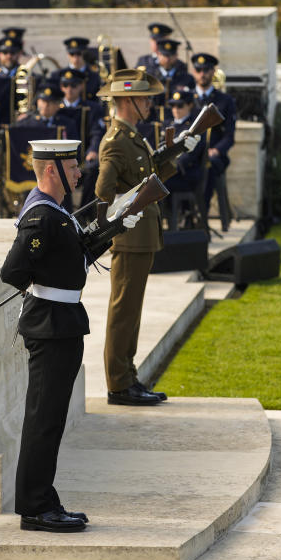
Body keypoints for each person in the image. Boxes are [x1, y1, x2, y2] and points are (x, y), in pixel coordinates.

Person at [0, 138, 141, 532]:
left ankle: (43, 497)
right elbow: (12, 272)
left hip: (61, 322)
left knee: (51, 419)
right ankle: (35, 506)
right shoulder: (42, 216)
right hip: (50, 324)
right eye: (73, 167)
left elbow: (72, 255)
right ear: (52, 170)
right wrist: (41, 284)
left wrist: (113, 227)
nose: (80, 173)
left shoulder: (57, 212)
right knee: (43, 420)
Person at [95, 69, 199, 405]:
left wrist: (176, 151)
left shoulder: (132, 137)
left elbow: (148, 174)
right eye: (143, 99)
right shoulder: (115, 141)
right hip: (129, 238)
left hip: (142, 237)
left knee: (132, 309)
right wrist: (122, 214)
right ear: (126, 102)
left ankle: (128, 376)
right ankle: (119, 383)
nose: (148, 105)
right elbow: (103, 193)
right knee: (124, 310)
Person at [190, 53, 237, 231]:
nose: (202, 74)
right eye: (198, 70)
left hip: (213, 154)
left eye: (206, 70)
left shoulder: (225, 100)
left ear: (213, 72)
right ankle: (182, 215)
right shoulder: (186, 99)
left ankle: (202, 215)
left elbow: (229, 136)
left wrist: (217, 150)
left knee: (207, 168)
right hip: (190, 153)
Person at [56, 68, 104, 206]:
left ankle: (84, 211)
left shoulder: (93, 108)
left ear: (81, 86)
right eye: (65, 85)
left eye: (74, 85)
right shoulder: (55, 107)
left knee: (94, 169)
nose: (69, 89)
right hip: (59, 158)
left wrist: (93, 150)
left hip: (83, 157)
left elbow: (96, 132)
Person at [162, 89, 205, 228]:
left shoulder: (193, 127)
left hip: (185, 175)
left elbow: (189, 156)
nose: (176, 109)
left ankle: (171, 225)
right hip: (168, 172)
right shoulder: (167, 125)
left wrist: (170, 164)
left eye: (180, 106)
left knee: (159, 185)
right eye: (173, 106)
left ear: (189, 106)